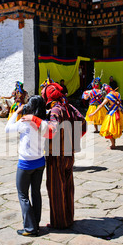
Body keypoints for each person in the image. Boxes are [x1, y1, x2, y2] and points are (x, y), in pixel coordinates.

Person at [37, 82, 87, 229]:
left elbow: (52, 128)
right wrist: (73, 139)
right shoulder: (68, 106)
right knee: (68, 187)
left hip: (56, 155)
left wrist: (36, 123)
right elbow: (83, 123)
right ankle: (68, 218)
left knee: (56, 189)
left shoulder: (55, 111)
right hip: (69, 153)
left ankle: (59, 222)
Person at [5, 96, 48, 237]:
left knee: (23, 194)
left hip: (26, 163)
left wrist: (16, 112)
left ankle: (30, 228)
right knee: (36, 192)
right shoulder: (44, 122)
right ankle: (35, 222)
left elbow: (8, 129)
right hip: (40, 162)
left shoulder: (24, 122)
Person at [88, 83, 123, 150]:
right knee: (114, 129)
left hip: (112, 114)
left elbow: (101, 105)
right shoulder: (118, 94)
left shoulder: (109, 96)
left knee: (109, 130)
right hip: (119, 113)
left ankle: (113, 145)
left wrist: (93, 113)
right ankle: (113, 144)